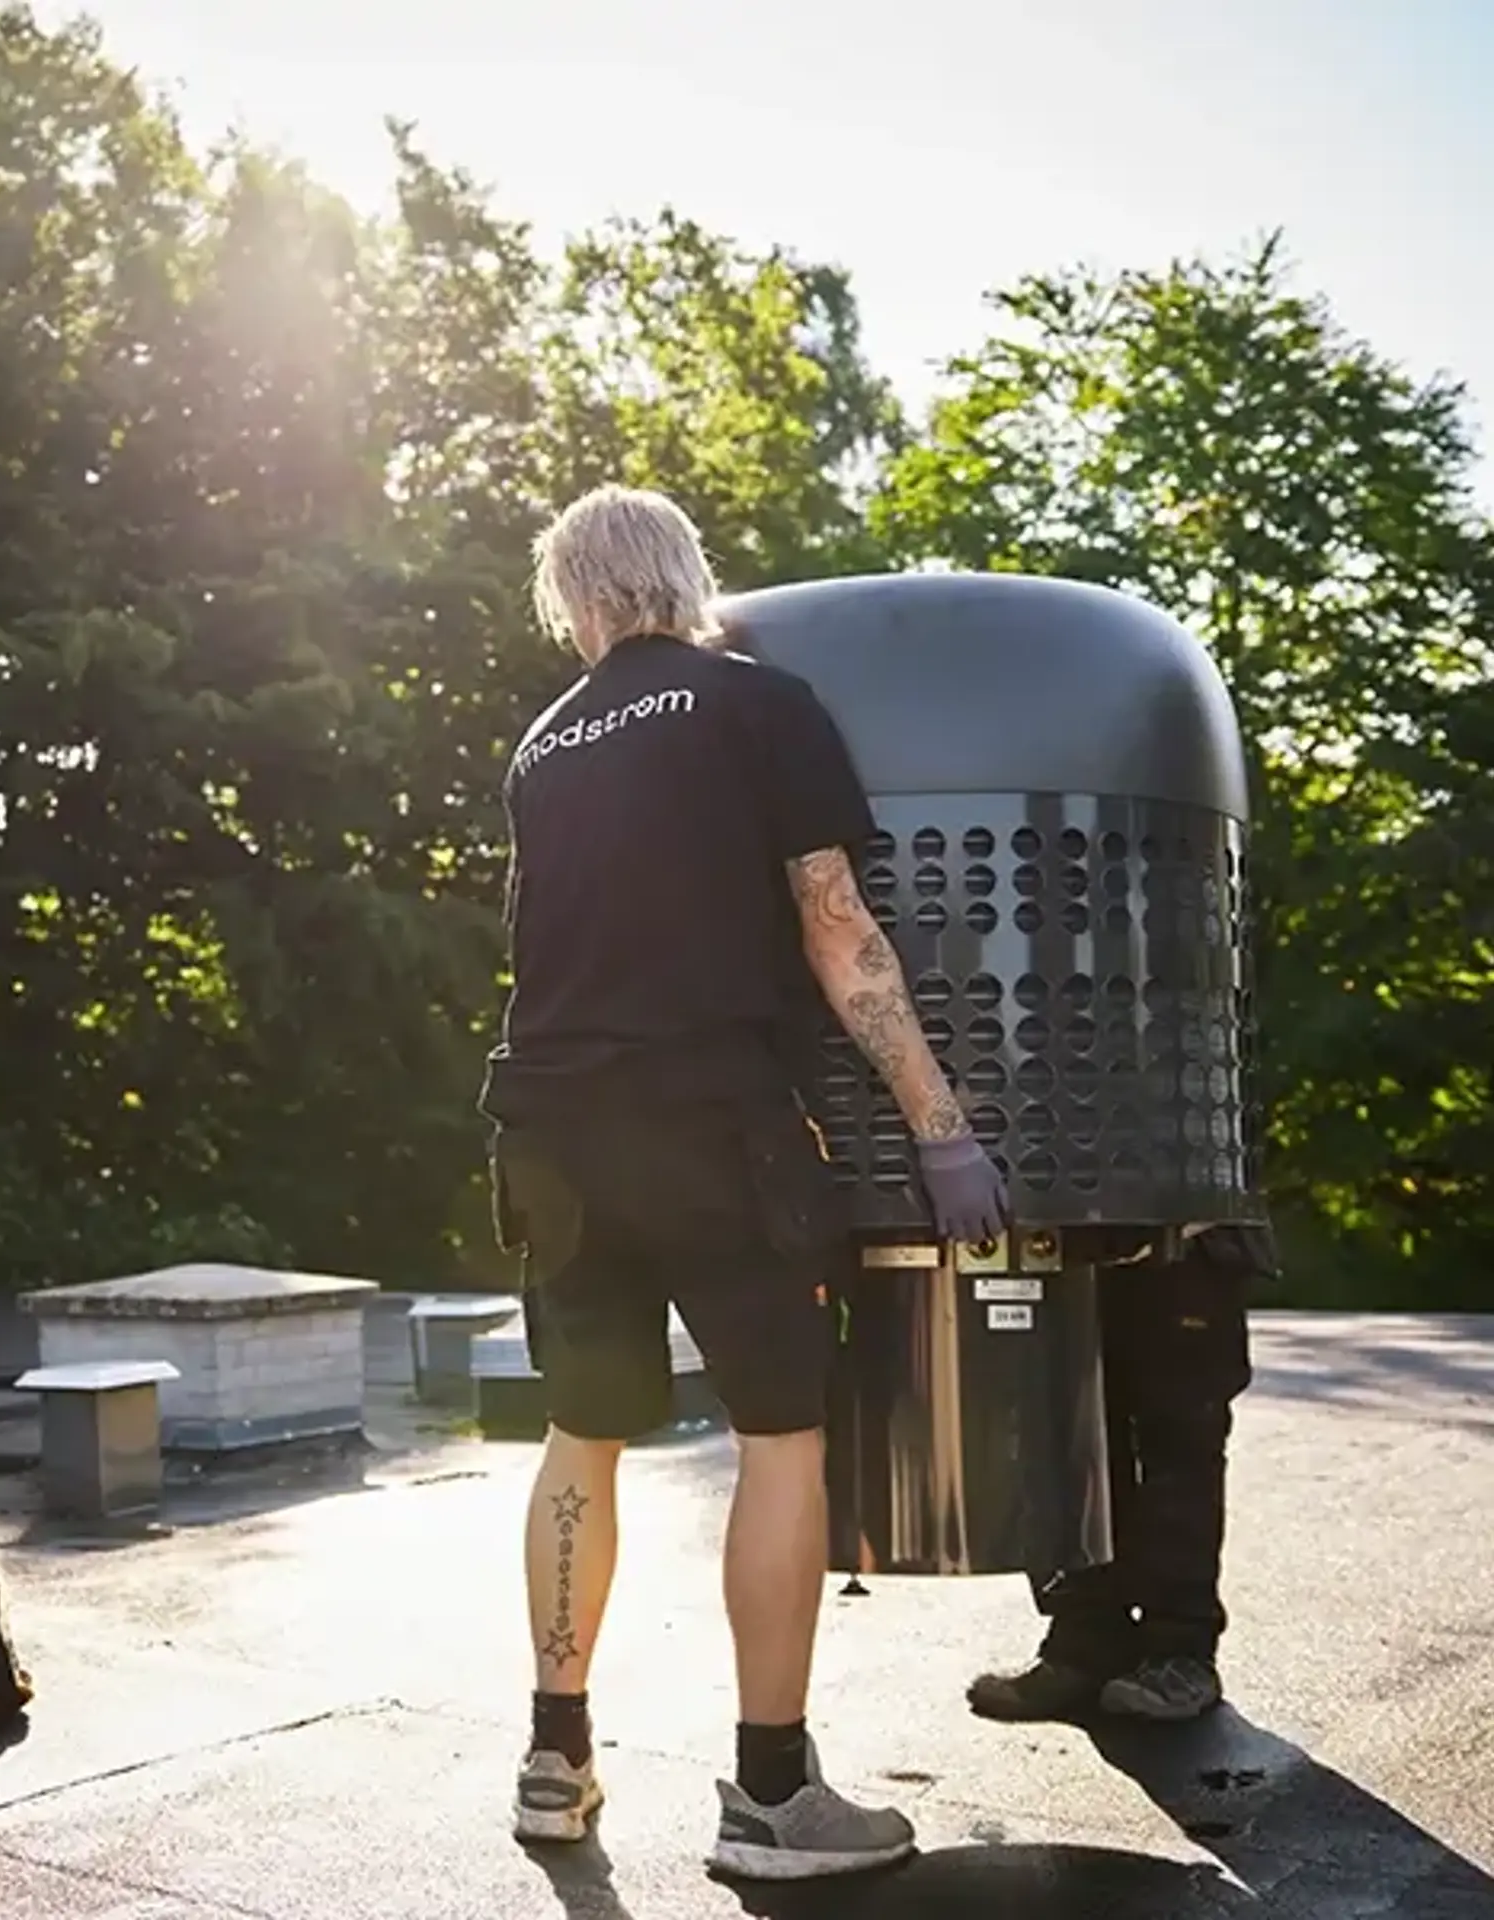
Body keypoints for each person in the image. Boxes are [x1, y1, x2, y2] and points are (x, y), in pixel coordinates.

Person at [481, 484, 1008, 1880]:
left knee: (580, 1434)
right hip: (713, 1121)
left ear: (576, 603)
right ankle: (773, 1796)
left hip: (548, 1126)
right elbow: (839, 932)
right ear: (686, 578)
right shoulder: (754, 703)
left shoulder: (543, 745)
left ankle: (554, 1758)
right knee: (780, 1433)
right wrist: (942, 1127)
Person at [967, 1221, 1277, 1724]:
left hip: (1187, 1226)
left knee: (1181, 1440)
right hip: (1061, 1232)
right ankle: (1085, 1643)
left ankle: (1181, 1651)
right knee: (1063, 1437)